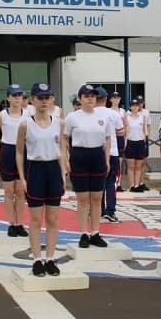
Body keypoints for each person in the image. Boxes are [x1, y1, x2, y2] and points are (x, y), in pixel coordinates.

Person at [16, 82, 67, 276]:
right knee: (36, 219)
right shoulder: (25, 124)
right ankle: (37, 259)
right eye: (40, 98)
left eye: (47, 97)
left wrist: (63, 173)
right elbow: (19, 152)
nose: (44, 101)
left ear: (52, 99)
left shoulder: (59, 123)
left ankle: (51, 258)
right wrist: (22, 177)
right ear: (32, 100)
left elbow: (61, 149)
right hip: (35, 170)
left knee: (53, 218)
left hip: (53, 169)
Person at [63, 84, 112, 248]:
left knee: (97, 198)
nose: (90, 99)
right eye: (86, 96)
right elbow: (64, 138)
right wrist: (66, 159)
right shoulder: (72, 117)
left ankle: (95, 232)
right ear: (80, 98)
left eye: (93, 96)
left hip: (97, 156)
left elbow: (108, 139)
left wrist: (107, 160)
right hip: (79, 157)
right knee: (83, 199)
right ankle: (83, 233)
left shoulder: (103, 117)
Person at [0, 84, 29, 237]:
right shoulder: (1, 115)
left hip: (23, 151)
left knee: (20, 191)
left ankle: (20, 223)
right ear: (8, 98)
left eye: (19, 95)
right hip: (7, 151)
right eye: (14, 96)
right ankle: (11, 223)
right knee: (9, 191)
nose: (17, 98)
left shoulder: (28, 115)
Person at [95, 87, 124, 223]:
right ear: (106, 99)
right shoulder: (113, 114)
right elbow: (120, 132)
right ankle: (111, 211)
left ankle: (98, 209)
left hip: (95, 151)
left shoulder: (90, 114)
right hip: (112, 151)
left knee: (97, 182)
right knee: (111, 182)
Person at [124, 98, 149, 192]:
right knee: (131, 166)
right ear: (130, 107)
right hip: (130, 142)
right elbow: (125, 131)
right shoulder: (127, 117)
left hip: (140, 142)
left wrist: (145, 141)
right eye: (133, 105)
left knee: (139, 166)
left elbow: (144, 130)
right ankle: (132, 186)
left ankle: (137, 185)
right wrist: (125, 142)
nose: (135, 107)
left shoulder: (142, 117)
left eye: (136, 105)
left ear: (139, 107)